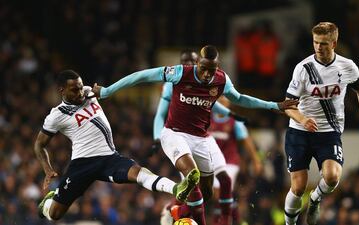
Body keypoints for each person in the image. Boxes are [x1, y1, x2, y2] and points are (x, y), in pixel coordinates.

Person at [92, 45, 298, 225]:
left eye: (212, 70)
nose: (207, 75)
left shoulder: (221, 80)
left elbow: (241, 99)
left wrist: (275, 105)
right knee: (192, 175)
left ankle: (178, 211)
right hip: (174, 134)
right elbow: (142, 76)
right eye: (203, 69)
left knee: (206, 193)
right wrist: (108, 91)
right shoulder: (180, 73)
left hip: (201, 139)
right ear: (197, 63)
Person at [34, 70, 199, 221]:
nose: (80, 92)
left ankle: (176, 188)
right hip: (82, 163)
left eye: (80, 87)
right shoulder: (56, 116)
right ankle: (48, 202)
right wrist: (47, 169)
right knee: (55, 214)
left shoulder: (88, 92)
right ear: (61, 90)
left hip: (109, 157)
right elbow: (39, 145)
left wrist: (105, 91)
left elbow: (105, 91)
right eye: (74, 90)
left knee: (138, 173)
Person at [283, 22, 359, 225]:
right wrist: (302, 119)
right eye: (316, 42)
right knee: (299, 186)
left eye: (324, 43)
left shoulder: (347, 66)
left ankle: (315, 199)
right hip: (300, 131)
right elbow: (287, 105)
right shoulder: (303, 68)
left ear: (334, 43)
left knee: (333, 177)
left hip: (328, 132)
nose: (319, 47)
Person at [153, 49, 245, 225]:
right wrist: (157, 138)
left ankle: (176, 210)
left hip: (203, 138)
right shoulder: (173, 81)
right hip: (179, 138)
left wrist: (231, 114)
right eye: (184, 61)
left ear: (198, 63)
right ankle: (176, 210)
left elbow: (213, 106)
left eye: (192, 61)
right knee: (192, 191)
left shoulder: (205, 78)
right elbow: (160, 113)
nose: (188, 65)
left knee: (216, 185)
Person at [209, 96, 263, 225]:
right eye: (220, 98)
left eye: (225, 99)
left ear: (229, 103)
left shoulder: (234, 120)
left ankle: (223, 221)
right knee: (218, 195)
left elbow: (246, 140)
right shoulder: (207, 118)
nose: (222, 101)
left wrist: (256, 160)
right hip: (211, 163)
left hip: (229, 162)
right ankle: (235, 218)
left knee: (219, 192)